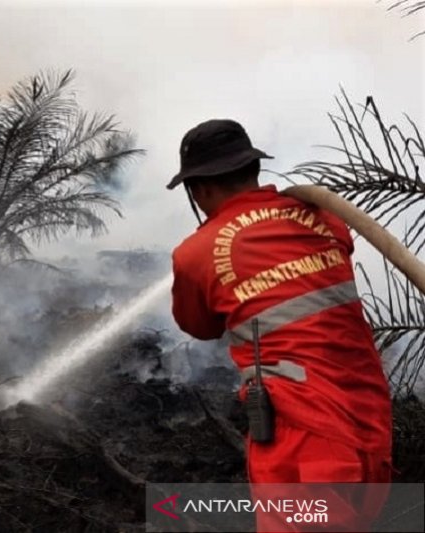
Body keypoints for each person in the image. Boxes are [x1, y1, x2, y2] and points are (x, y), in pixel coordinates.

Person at [167, 119, 392, 531]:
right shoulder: (323, 217)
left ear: (199, 190)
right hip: (370, 419)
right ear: (253, 170)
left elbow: (198, 325)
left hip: (303, 437)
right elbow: (336, 248)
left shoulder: (196, 253)